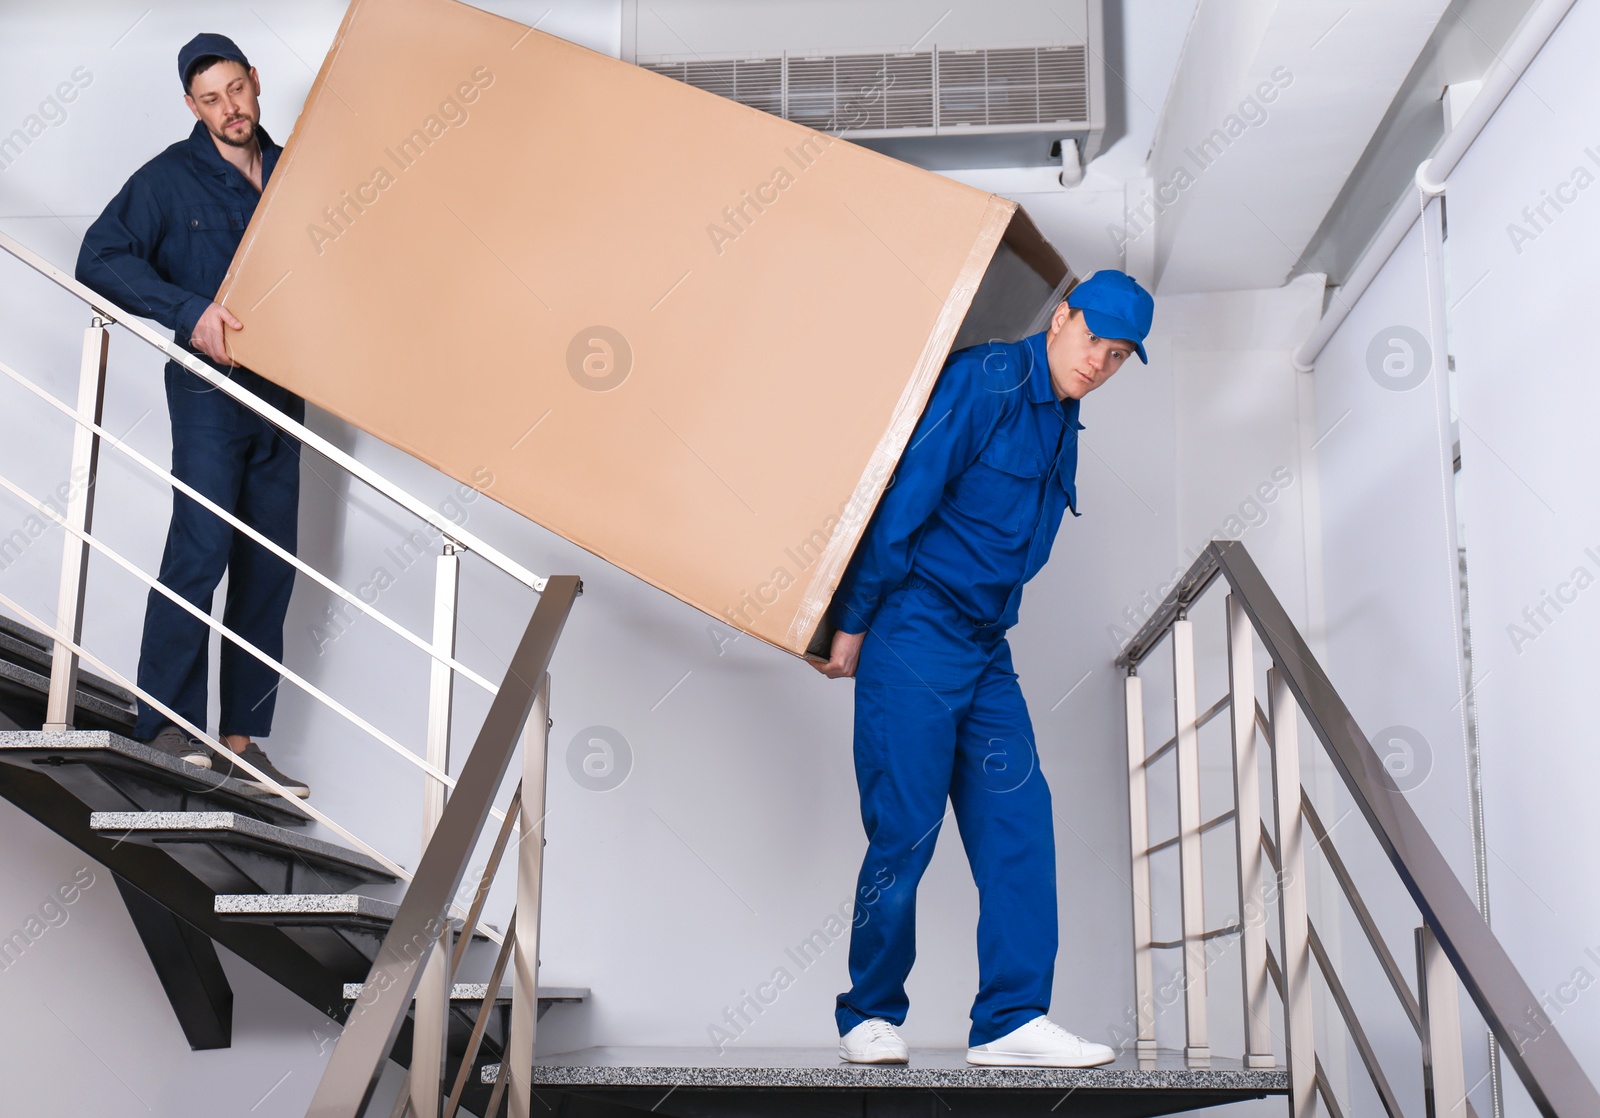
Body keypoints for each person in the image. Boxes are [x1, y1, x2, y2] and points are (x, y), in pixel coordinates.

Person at [814, 270, 1155, 1066]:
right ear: (1062, 315)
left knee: (1020, 828)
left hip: (984, 648)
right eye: (1092, 339)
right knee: (905, 828)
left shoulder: (1065, 420)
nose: (1098, 362)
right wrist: (854, 623)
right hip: (913, 631)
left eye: (1118, 355)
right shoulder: (987, 380)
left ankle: (1009, 1020)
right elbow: (906, 500)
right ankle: (867, 1013)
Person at [75, 34, 308, 797]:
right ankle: (164, 727)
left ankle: (240, 741)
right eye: (211, 99)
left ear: (256, 83)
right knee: (201, 550)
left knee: (270, 566)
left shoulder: (297, 169)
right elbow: (99, 257)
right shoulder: (168, 181)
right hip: (210, 393)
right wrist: (188, 310)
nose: (229, 109)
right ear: (191, 105)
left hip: (287, 394)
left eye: (237, 91)